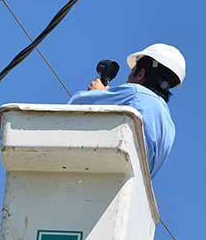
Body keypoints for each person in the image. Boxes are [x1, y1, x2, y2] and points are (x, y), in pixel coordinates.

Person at [68, 44, 186, 177]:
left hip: (108, 170)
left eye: (132, 71)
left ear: (141, 74)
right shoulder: (169, 126)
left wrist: (98, 91)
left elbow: (77, 104)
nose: (128, 79)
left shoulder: (136, 92)